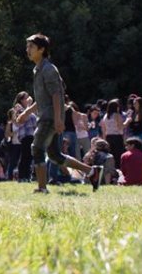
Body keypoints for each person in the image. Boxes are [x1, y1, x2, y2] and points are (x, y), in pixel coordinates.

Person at [16, 34, 102, 193]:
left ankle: (42, 188)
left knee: (36, 147)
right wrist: (27, 112)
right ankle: (91, 171)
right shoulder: (38, 69)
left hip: (50, 117)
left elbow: (57, 95)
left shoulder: (48, 69)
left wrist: (58, 119)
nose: (27, 50)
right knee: (55, 155)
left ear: (41, 50)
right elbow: (42, 98)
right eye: (27, 46)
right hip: (47, 116)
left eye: (31, 47)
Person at [13, 92, 37, 181]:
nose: (29, 99)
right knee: (25, 156)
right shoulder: (19, 109)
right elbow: (24, 118)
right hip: (25, 135)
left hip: (32, 135)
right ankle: (22, 176)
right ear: (22, 100)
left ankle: (27, 176)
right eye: (26, 98)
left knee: (29, 157)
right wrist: (29, 105)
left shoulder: (29, 109)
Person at [101, 99, 125, 166]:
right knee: (118, 154)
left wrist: (104, 138)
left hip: (108, 137)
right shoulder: (117, 115)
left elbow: (104, 128)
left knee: (111, 154)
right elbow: (121, 127)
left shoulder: (105, 116)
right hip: (117, 136)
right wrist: (128, 121)